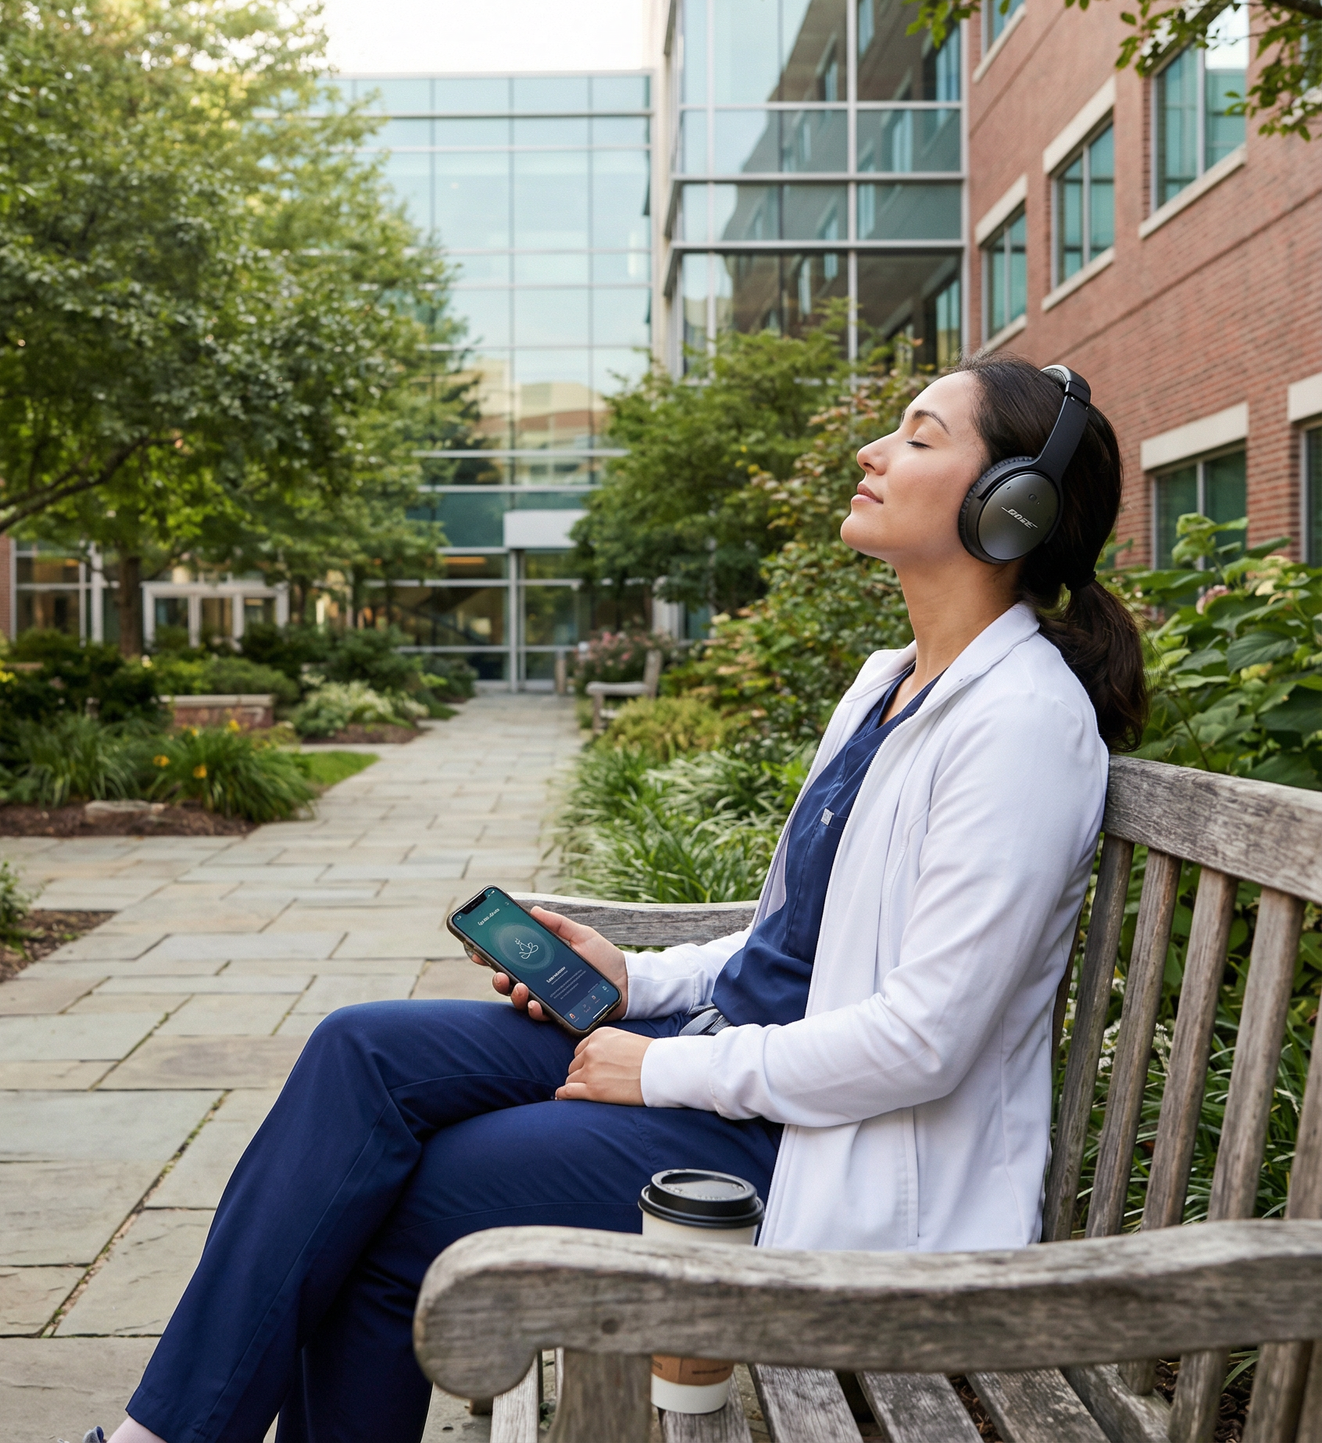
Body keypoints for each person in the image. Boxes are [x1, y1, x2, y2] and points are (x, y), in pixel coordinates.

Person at [84, 351, 1147, 1443]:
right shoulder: (889, 684)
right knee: (359, 1050)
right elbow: (792, 940)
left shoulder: (1018, 724)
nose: (872, 451)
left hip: (822, 1151)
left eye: (919, 436)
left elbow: (925, 1040)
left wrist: (657, 1068)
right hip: (738, 1067)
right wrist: (631, 979)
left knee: (395, 1210)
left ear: (1010, 507)